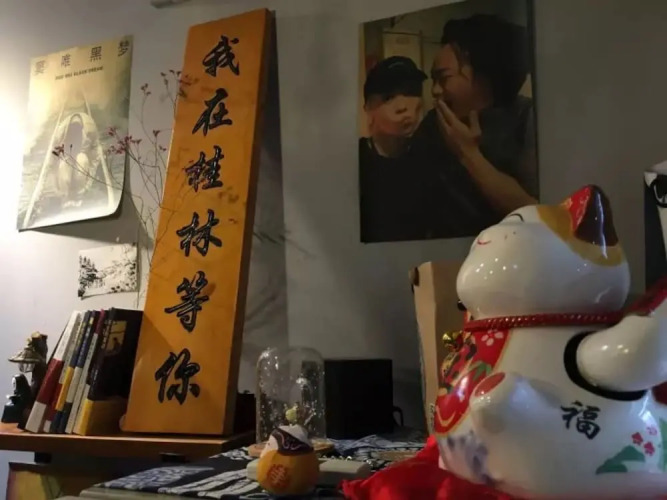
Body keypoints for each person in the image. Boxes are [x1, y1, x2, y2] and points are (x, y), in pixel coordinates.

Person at [412, 14, 538, 238]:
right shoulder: (432, 124)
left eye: (443, 78)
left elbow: (535, 214)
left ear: (483, 76)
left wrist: (468, 153)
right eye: (433, 80)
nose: (435, 91)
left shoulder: (527, 119)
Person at [359, 56, 429, 242]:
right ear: (368, 108)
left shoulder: (430, 158)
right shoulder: (355, 162)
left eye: (411, 91)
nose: (404, 106)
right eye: (388, 97)